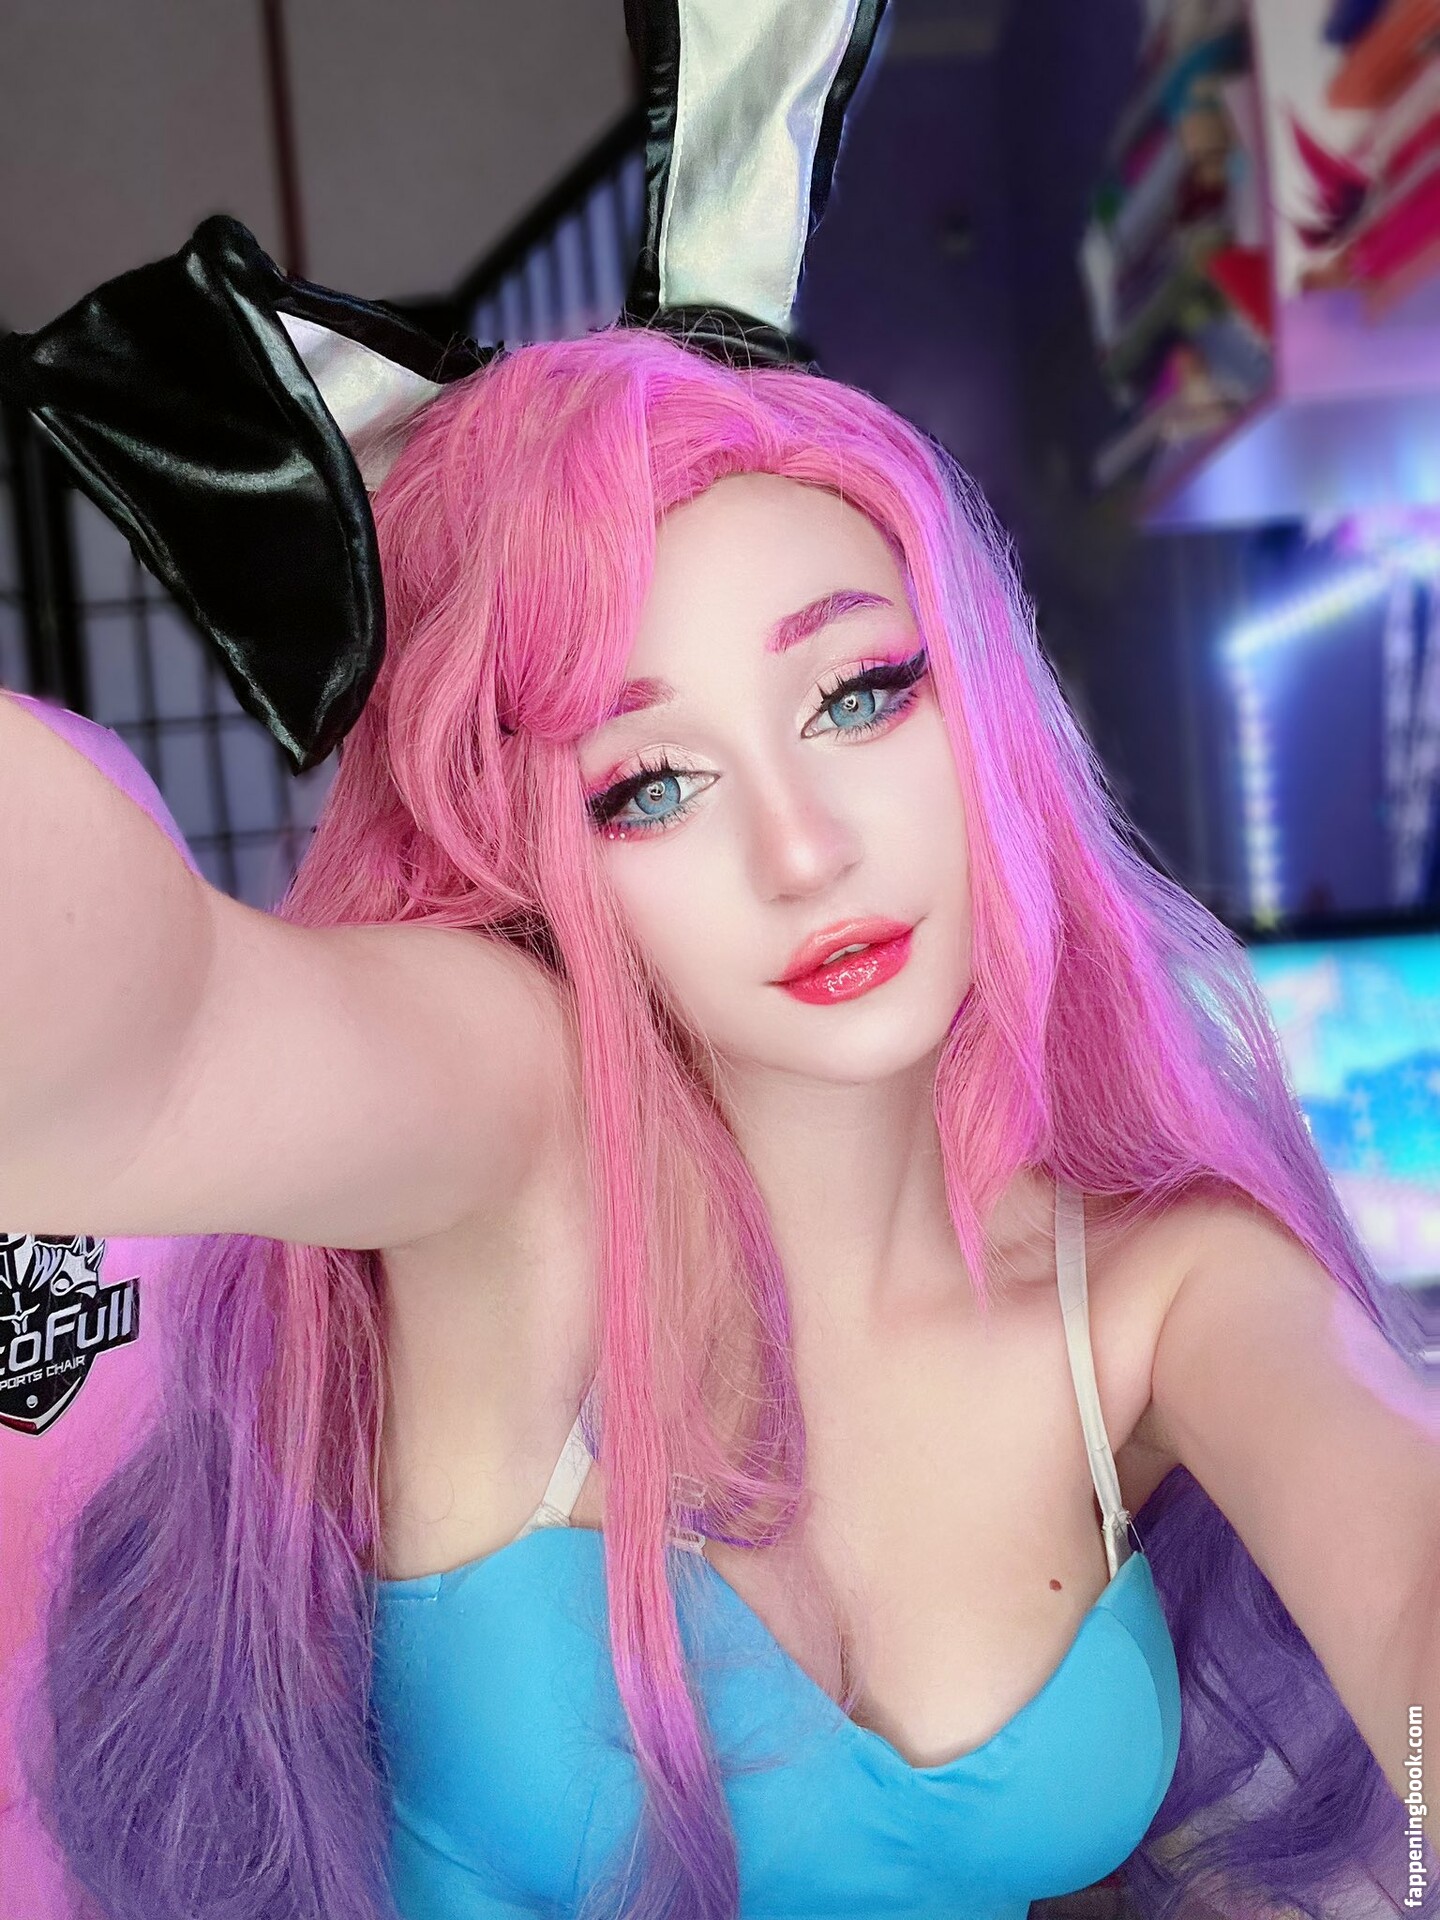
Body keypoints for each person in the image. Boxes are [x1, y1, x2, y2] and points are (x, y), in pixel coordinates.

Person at [1, 5, 1436, 1915]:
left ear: (983, 707)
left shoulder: (1162, 1293)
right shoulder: (518, 1136)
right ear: (531, 857)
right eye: (650, 785)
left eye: (860, 692)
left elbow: (1410, 1569)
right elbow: (155, 1039)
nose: (804, 849)